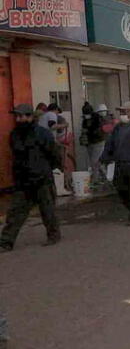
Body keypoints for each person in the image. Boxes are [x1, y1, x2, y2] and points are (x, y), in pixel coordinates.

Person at [0, 104, 62, 252]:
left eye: (22, 116)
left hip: (42, 179)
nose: (19, 119)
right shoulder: (14, 135)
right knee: (15, 213)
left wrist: (48, 169)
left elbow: (53, 154)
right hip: (23, 181)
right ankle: (6, 242)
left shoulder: (42, 134)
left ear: (30, 117)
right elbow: (15, 156)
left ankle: (53, 235)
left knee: (48, 210)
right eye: (17, 116)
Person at [81, 103, 108, 184]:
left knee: (94, 161)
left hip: (98, 142)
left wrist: (88, 131)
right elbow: (84, 128)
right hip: (90, 143)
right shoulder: (85, 120)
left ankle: (95, 180)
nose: (86, 116)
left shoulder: (97, 118)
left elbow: (98, 130)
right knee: (96, 162)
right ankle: (105, 176)